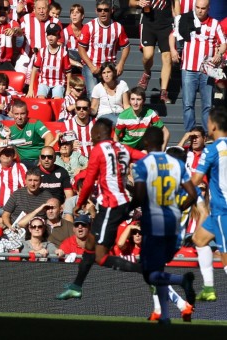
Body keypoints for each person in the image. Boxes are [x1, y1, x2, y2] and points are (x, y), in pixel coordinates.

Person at [57, 118, 145, 300]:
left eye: (92, 133)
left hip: (112, 206)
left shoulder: (98, 150)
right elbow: (144, 157)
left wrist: (80, 203)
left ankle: (146, 271)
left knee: (101, 257)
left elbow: (88, 181)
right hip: (118, 203)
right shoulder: (123, 148)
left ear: (97, 133)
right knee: (89, 244)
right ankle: (76, 285)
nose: (90, 136)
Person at [132, 126, 197, 325]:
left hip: (154, 224)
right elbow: (193, 195)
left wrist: (128, 206)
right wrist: (178, 206)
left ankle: (180, 282)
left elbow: (140, 195)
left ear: (145, 142)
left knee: (149, 272)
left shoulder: (143, 164)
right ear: (162, 142)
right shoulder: (178, 165)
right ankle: (165, 316)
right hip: (174, 226)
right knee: (157, 269)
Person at [171, 0, 226, 131]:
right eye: (197, 7)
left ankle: (207, 135)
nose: (200, 10)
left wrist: (219, 53)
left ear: (208, 9)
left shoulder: (214, 23)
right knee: (188, 104)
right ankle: (190, 134)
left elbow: (224, 43)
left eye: (203, 8)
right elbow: (172, 35)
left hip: (207, 70)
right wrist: (173, 50)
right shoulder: (186, 19)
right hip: (188, 68)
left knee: (207, 104)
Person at [190, 107, 227, 302]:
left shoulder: (211, 150)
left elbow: (195, 180)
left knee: (225, 256)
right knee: (199, 239)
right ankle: (209, 288)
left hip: (223, 210)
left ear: (212, 126)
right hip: (217, 213)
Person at [78, 0, 130, 94]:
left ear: (111, 10)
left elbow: (126, 46)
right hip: (92, 65)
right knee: (93, 93)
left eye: (106, 10)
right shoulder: (89, 27)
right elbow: (81, 48)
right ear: (96, 11)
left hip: (109, 67)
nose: (102, 12)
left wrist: (121, 63)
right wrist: (91, 66)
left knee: (111, 94)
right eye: (100, 10)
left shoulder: (117, 27)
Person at [129, 0, 174, 103]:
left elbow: (176, 6)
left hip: (166, 24)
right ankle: (147, 73)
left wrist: (177, 22)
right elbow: (131, 2)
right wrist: (138, 3)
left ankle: (163, 92)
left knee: (167, 57)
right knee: (148, 55)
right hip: (148, 23)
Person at [27, 23, 71, 99]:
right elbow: (34, 69)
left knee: (57, 99)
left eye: (53, 35)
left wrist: (68, 89)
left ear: (58, 37)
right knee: (41, 98)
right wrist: (30, 89)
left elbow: (68, 72)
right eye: (49, 34)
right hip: (44, 81)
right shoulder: (42, 51)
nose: (50, 37)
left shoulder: (63, 53)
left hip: (58, 82)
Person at [7, 99, 55, 169]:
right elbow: (0, 145)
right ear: (12, 114)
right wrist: (7, 137)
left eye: (22, 114)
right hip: (21, 162)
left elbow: (49, 137)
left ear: (27, 113)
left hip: (38, 159)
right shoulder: (9, 129)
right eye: (16, 114)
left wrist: (42, 157)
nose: (19, 117)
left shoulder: (35, 123)